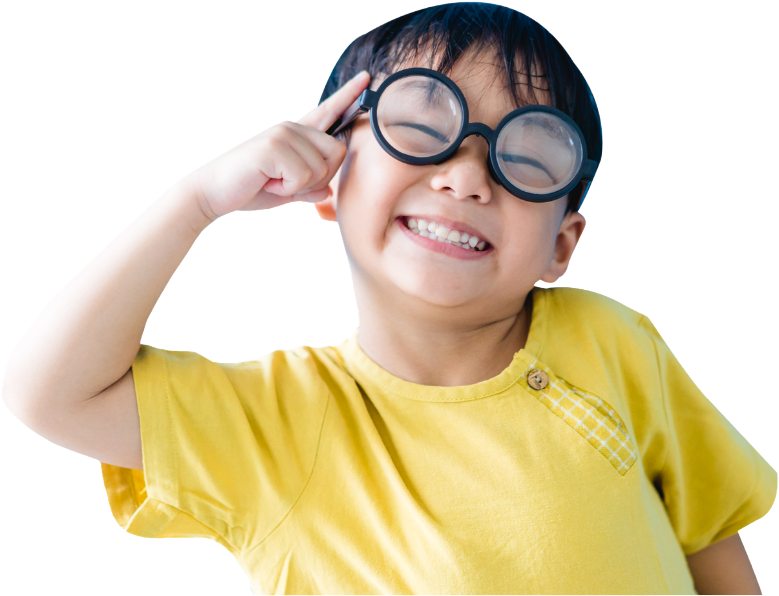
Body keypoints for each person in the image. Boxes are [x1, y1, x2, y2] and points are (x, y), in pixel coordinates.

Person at [2, 3, 775, 594]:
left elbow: (705, 536)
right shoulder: (275, 420)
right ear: (326, 179)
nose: (465, 177)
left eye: (526, 158)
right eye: (420, 128)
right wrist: (198, 199)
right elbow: (50, 395)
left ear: (561, 246)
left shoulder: (611, 342)